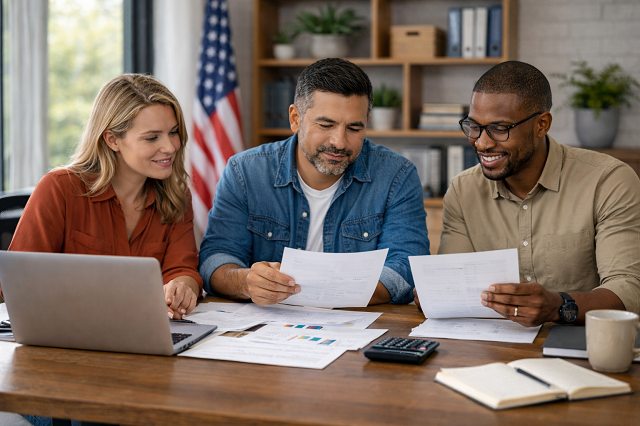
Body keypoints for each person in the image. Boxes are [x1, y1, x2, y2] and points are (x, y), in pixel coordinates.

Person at [414, 61, 640, 326]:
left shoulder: (608, 181)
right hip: (493, 347)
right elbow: (456, 287)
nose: (482, 143)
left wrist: (558, 306)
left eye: (500, 128)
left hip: (582, 344)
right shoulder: (464, 191)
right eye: (473, 126)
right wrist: (438, 293)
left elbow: (629, 290)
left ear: (541, 125)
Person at [199, 58, 430, 306]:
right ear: (295, 118)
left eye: (354, 128)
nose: (339, 142)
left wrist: (321, 292)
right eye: (326, 124)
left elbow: (405, 266)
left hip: (357, 327)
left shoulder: (397, 175)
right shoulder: (244, 171)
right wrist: (247, 282)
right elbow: (216, 258)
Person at [7, 74, 202, 321]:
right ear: (112, 140)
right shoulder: (59, 189)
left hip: (144, 333)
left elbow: (182, 268)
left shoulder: (176, 195)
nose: (171, 146)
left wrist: (182, 288)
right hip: (66, 333)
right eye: (152, 137)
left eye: (173, 132)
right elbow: (18, 282)